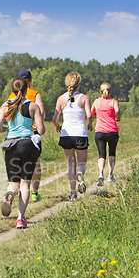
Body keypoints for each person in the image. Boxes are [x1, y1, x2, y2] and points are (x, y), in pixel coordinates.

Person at [0, 77, 45, 228]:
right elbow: (41, 130)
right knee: (25, 183)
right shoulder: (33, 105)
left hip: (11, 145)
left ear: (12, 90)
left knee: (13, 182)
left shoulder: (6, 105)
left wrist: (8, 129)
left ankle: (10, 195)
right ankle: (20, 218)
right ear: (25, 90)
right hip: (27, 144)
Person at [53, 72, 92, 200]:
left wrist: (58, 126)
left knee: (71, 164)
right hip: (80, 133)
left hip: (66, 134)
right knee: (82, 163)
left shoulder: (61, 99)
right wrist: (90, 125)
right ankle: (80, 174)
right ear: (79, 84)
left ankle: (73, 193)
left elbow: (55, 118)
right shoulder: (84, 98)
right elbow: (89, 115)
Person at [8, 69, 45, 202]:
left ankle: (13, 188)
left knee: (15, 165)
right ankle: (34, 192)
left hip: (13, 135)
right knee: (35, 164)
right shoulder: (35, 94)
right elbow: (41, 112)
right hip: (32, 133)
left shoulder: (11, 96)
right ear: (30, 81)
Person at [91, 82, 120, 186]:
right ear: (111, 91)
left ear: (100, 91)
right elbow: (117, 111)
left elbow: (91, 113)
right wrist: (118, 117)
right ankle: (110, 175)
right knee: (112, 153)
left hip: (99, 132)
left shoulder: (96, 102)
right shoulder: (113, 102)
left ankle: (100, 174)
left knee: (101, 154)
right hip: (112, 131)